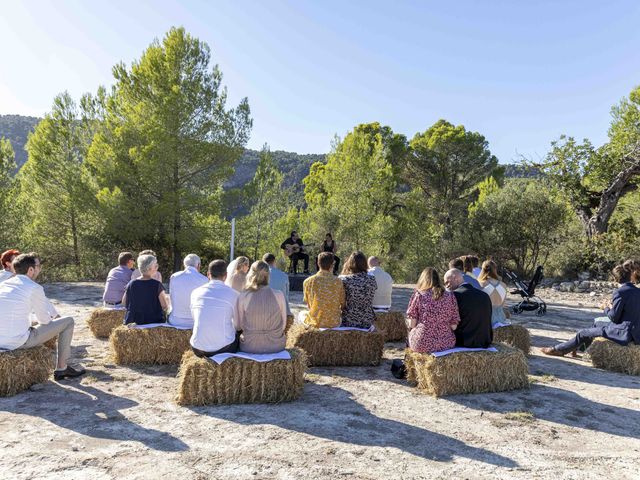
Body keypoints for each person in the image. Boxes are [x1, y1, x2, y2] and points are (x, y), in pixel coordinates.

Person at [0, 253, 85, 380]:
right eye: (38, 266)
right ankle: (62, 368)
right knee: (68, 321)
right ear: (31, 270)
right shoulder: (34, 287)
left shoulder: (3, 285)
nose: (39, 269)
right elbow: (44, 321)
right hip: (15, 342)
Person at [542, 264, 640, 357]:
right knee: (596, 323)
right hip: (636, 332)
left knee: (582, 333)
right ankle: (579, 349)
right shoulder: (638, 291)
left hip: (624, 333)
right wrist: (612, 307)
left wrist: (605, 308)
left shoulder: (620, 292)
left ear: (615, 279)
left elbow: (614, 318)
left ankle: (559, 350)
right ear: (630, 276)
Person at [190, 259, 241, 357]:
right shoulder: (234, 294)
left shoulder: (195, 293)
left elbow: (194, 318)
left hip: (198, 348)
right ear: (226, 276)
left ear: (208, 274)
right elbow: (238, 325)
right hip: (224, 348)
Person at [234, 261, 287, 354]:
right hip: (276, 345)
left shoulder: (243, 296)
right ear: (268, 275)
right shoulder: (279, 294)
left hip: (249, 346)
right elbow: (283, 325)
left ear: (251, 274)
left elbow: (239, 326)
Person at [406, 267, 460, 353]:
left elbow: (412, 324)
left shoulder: (419, 295)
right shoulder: (450, 296)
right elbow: (454, 326)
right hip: (446, 343)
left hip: (422, 343)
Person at [443, 268, 493, 348]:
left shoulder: (454, 296)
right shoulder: (485, 295)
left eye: (447, 282)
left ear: (455, 278)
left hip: (463, 341)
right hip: (484, 340)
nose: (446, 286)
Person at [299, 252, 345, 328]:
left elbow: (308, 304)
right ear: (332, 264)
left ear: (318, 263)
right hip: (334, 323)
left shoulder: (307, 282)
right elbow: (342, 304)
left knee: (301, 314)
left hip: (315, 323)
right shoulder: (338, 281)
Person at [123, 254, 168, 325]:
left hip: (134, 321)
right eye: (155, 266)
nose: (157, 267)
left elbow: (124, 302)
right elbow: (164, 306)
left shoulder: (131, 283)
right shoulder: (157, 285)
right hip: (153, 322)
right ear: (149, 268)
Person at [339, 251, 378, 328]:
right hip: (367, 320)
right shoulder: (372, 279)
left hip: (349, 320)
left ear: (350, 264)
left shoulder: (344, 279)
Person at [168, 254, 208, 328]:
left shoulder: (174, 277)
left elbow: (171, 297)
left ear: (184, 265)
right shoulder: (204, 280)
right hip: (195, 321)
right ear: (198, 265)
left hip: (176, 321)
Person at [477, 260, 509, 327]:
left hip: (485, 317)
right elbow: (503, 304)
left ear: (482, 269)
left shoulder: (480, 284)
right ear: (495, 269)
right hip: (501, 318)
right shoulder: (503, 285)